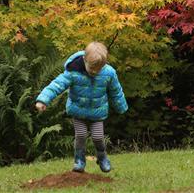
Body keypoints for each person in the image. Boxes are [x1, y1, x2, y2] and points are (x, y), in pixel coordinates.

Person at [35, 41, 128, 172]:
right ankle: (79, 160)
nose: (95, 72)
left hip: (97, 112)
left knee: (97, 137)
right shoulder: (73, 71)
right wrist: (43, 100)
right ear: (84, 60)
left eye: (98, 69)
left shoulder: (109, 73)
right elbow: (57, 85)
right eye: (92, 69)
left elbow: (116, 91)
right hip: (78, 112)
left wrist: (121, 106)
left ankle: (102, 158)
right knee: (81, 135)